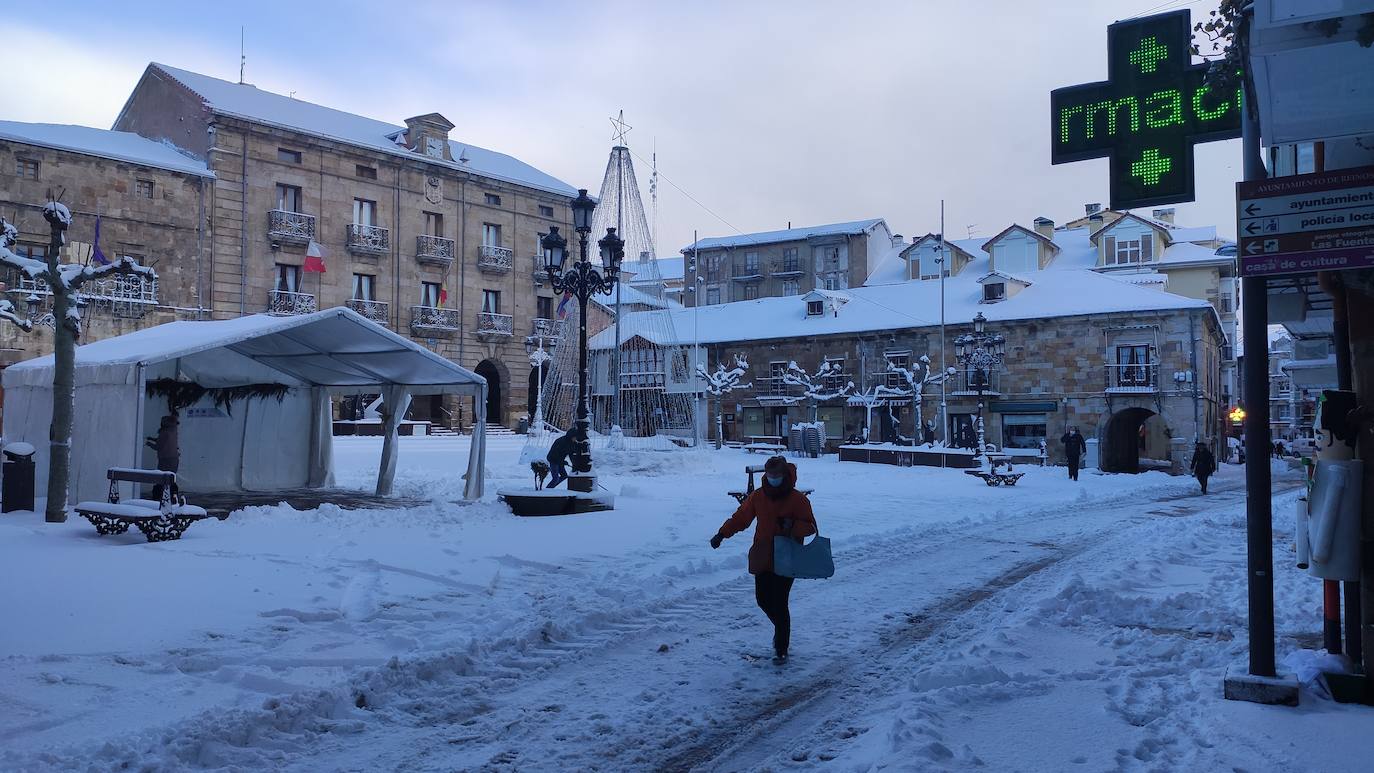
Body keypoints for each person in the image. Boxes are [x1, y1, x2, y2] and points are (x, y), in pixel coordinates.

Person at [710, 455, 816, 665]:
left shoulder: (798, 499)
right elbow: (741, 518)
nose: (773, 478)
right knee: (762, 599)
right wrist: (722, 534)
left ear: (785, 475)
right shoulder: (759, 496)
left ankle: (781, 647)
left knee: (779, 600)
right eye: (770, 474)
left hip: (788, 557)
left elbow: (810, 526)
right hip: (763, 555)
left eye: (777, 475)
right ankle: (780, 630)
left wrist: (791, 525)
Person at [151, 412, 180, 503]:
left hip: (165, 459)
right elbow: (166, 441)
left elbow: (158, 446)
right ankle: (173, 495)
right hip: (175, 458)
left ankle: (159, 497)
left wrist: (149, 444)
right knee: (171, 477)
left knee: (161, 478)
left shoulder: (164, 432)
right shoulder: (174, 430)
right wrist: (153, 439)